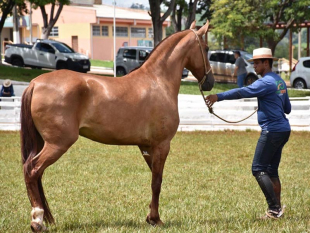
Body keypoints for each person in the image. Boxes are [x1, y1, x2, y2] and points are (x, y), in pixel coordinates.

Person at [206, 48, 291, 219]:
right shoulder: (279, 81)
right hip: (283, 129)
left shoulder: (265, 82)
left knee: (258, 168)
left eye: (257, 63)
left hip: (272, 130)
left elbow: (242, 92)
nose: (254, 67)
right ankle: (278, 209)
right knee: (271, 171)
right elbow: (287, 109)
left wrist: (218, 96)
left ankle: (274, 209)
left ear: (266, 63)